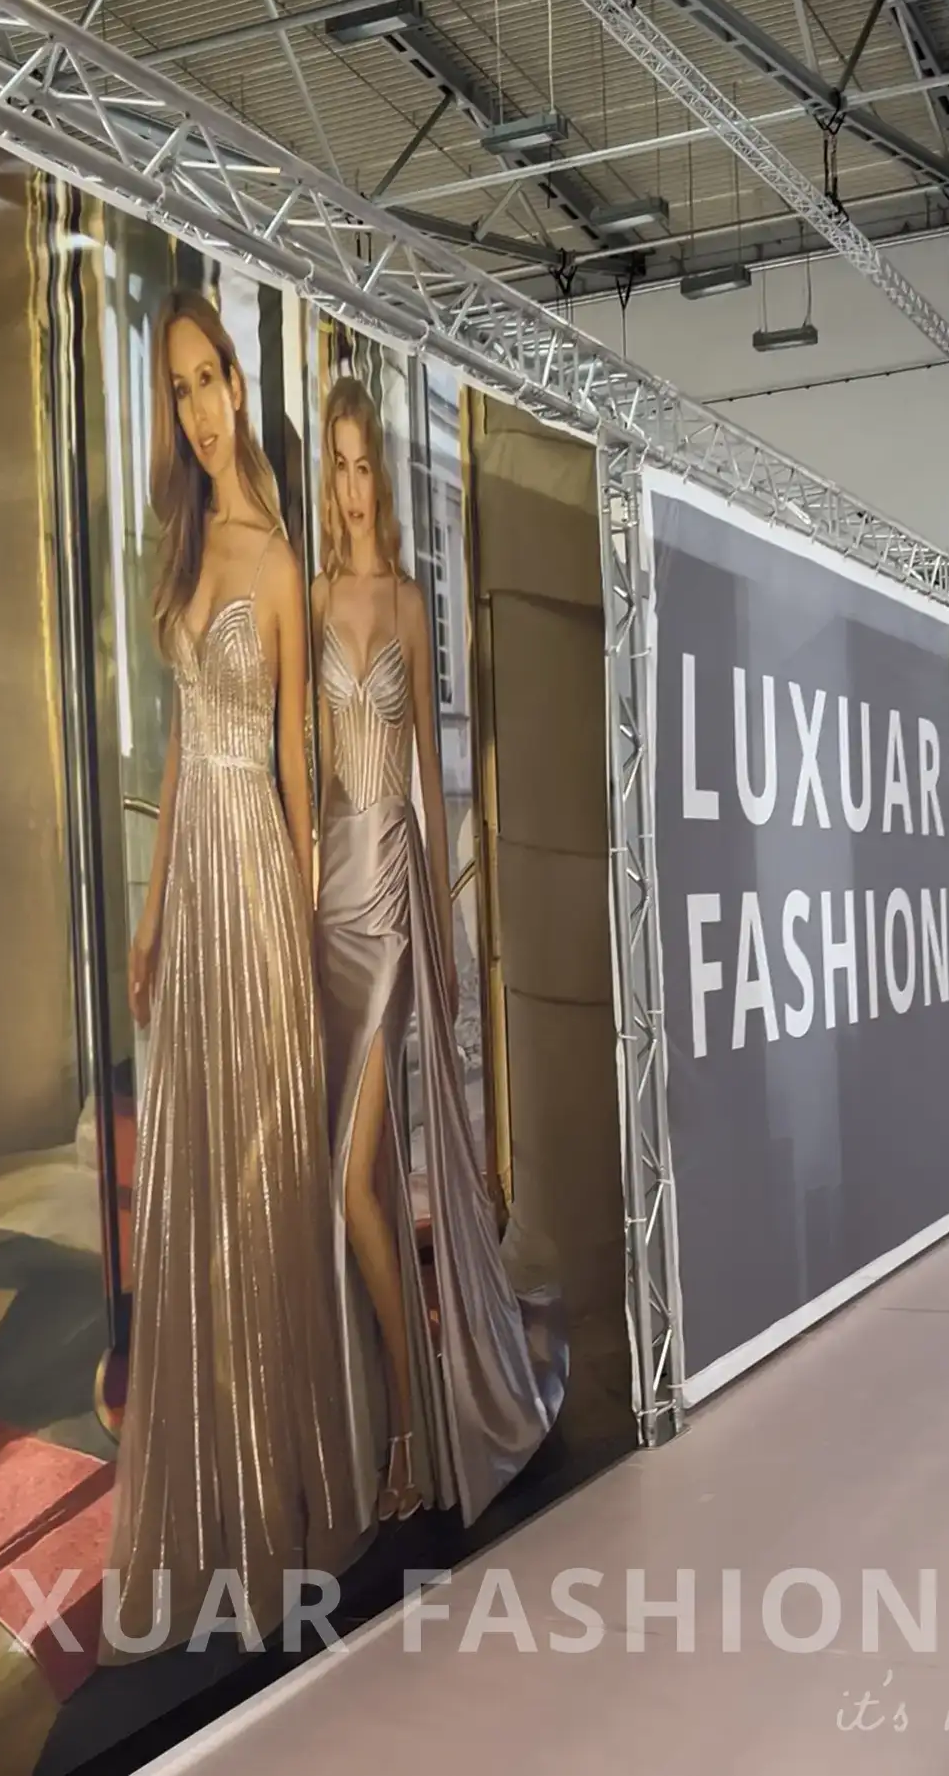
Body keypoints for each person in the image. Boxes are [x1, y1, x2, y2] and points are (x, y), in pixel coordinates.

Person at [102, 292, 363, 1660]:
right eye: (179, 388)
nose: (200, 408)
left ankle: (272, 1492)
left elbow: (295, 768)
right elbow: (176, 752)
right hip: (192, 885)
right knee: (194, 1173)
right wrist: (150, 919)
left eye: (211, 378)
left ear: (240, 385)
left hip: (257, 883)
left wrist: (310, 928)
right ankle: (204, 1489)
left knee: (258, 1169)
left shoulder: (273, 555)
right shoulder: (185, 542)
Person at [311, 374, 561, 1533]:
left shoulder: (409, 603)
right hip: (332, 893)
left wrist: (446, 941)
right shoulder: (315, 599)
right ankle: (383, 1416)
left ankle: (411, 1434)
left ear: (383, 476)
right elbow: (308, 768)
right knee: (350, 1178)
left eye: (366, 464)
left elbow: (423, 771)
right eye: (340, 466)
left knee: (356, 1170)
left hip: (396, 893)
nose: (354, 486)